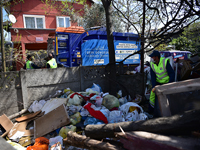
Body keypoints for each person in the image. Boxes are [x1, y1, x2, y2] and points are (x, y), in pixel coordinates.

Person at [149, 50, 175, 117]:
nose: (152, 58)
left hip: (166, 83)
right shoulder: (152, 64)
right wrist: (154, 86)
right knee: (153, 95)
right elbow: (153, 77)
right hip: (158, 84)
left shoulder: (164, 62)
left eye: (153, 57)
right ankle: (152, 110)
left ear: (157, 57)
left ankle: (168, 112)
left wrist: (169, 84)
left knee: (167, 98)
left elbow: (172, 73)